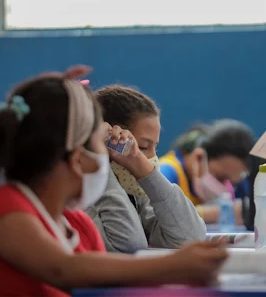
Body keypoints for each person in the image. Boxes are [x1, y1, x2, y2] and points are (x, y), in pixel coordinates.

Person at [0, 66, 227, 296]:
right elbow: (63, 269)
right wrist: (172, 265)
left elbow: (111, 267)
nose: (107, 159)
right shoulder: (6, 209)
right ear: (77, 154)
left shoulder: (74, 224)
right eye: (102, 147)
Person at [87, 85, 206, 253]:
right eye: (143, 147)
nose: (148, 159)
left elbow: (190, 238)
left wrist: (148, 174)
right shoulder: (83, 193)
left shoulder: (133, 190)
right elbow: (127, 246)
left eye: (155, 147)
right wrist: (100, 160)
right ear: (108, 140)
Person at [160, 120, 255, 225]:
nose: (225, 189)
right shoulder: (165, 174)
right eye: (220, 178)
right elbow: (156, 217)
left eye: (233, 183)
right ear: (199, 158)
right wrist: (211, 214)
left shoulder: (238, 182)